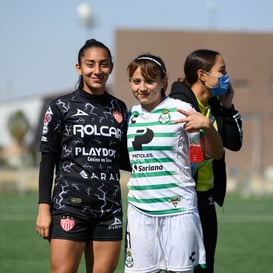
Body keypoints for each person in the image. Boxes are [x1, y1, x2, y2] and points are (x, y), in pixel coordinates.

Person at [35, 38, 131, 273]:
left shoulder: (119, 109)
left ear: (111, 66)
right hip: (70, 206)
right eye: (90, 64)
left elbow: (126, 159)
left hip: (109, 209)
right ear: (79, 68)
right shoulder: (61, 107)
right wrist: (43, 208)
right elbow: (48, 159)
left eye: (104, 64)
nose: (97, 71)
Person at [124, 53, 224, 273]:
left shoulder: (182, 109)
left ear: (163, 81)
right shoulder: (130, 115)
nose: (142, 88)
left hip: (178, 210)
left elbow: (215, 153)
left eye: (150, 81)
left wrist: (207, 126)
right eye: (136, 81)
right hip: (140, 212)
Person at [170, 49, 243, 273]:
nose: (226, 76)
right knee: (179, 267)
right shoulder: (177, 106)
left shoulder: (215, 105)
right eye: (222, 71)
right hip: (179, 201)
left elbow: (234, 142)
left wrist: (228, 106)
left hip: (206, 198)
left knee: (205, 266)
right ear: (203, 75)